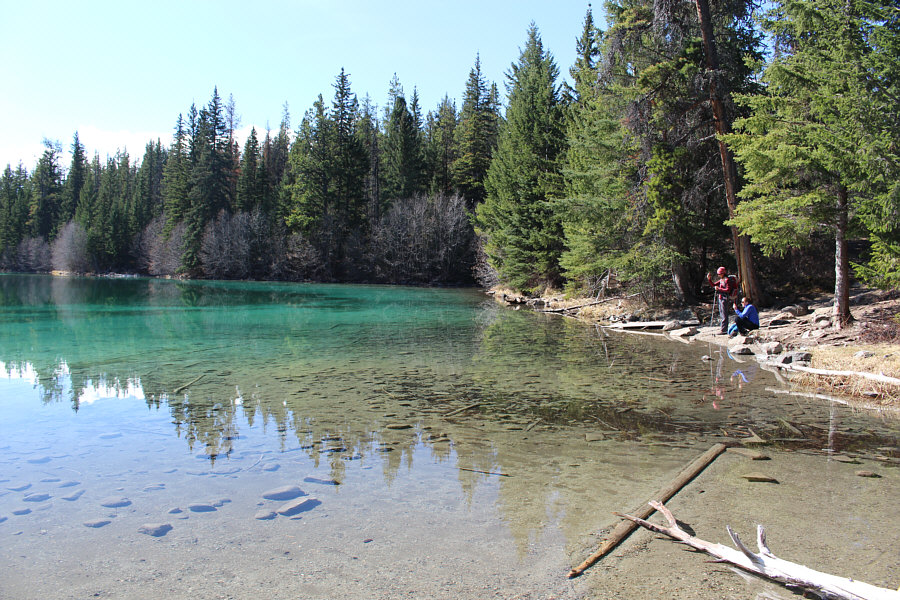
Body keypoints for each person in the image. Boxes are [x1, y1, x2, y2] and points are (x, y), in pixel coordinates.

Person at [707, 266, 738, 334]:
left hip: (724, 298)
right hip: (720, 297)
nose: (718, 275)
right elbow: (713, 285)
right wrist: (709, 279)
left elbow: (728, 290)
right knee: (721, 313)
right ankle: (723, 328)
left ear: (723, 273)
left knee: (724, 314)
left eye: (719, 274)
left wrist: (719, 289)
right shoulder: (721, 280)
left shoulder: (727, 280)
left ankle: (724, 330)